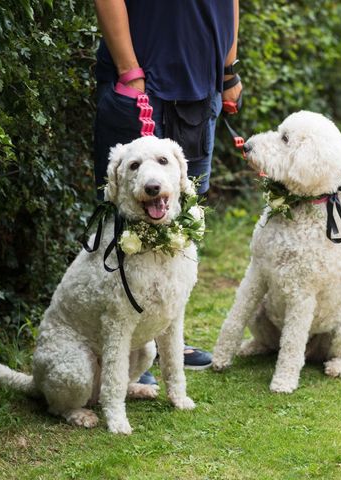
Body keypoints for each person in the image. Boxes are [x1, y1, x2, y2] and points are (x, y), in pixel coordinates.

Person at [92, 0, 242, 381]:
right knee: (128, 218)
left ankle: (166, 338)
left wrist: (228, 70)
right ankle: (130, 350)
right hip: (143, 82)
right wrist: (129, 70)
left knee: (181, 218)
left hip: (200, 86)